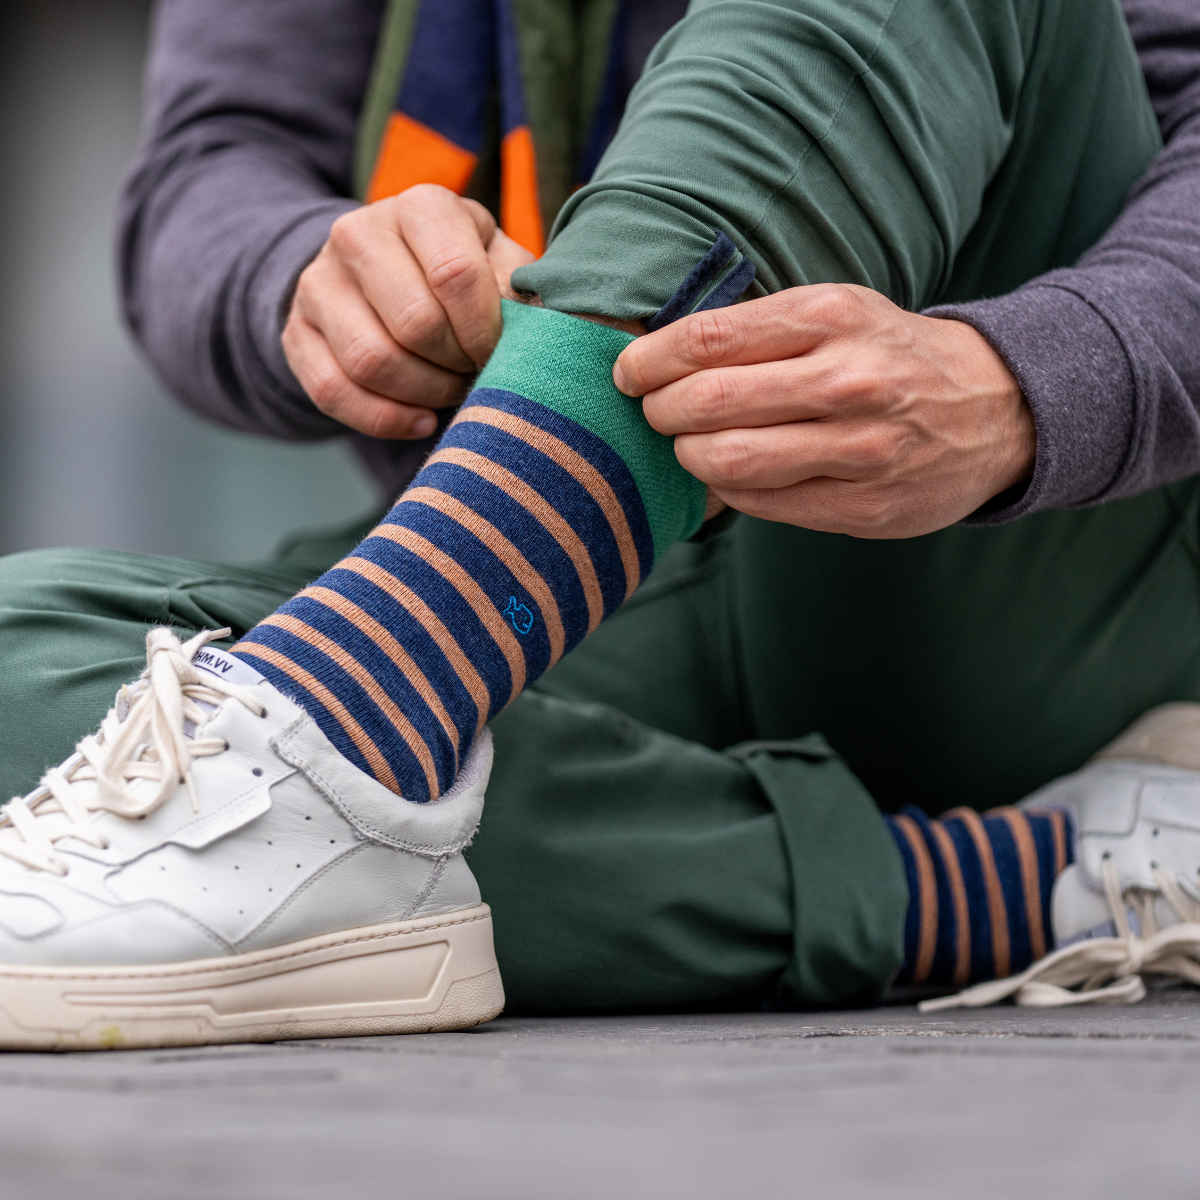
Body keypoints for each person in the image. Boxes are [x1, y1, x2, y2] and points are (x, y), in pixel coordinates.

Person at [0, 0, 1195, 1048]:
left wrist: (1023, 384)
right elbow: (215, 163)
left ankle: (357, 727)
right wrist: (302, 274)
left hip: (1028, 570)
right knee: (34, 674)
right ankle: (1028, 878)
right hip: (552, 596)